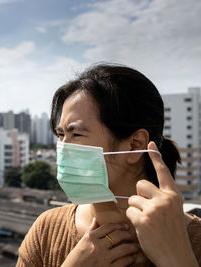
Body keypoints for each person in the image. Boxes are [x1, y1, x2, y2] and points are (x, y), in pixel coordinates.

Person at [17, 64, 201, 267]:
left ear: (135, 145)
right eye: (60, 135)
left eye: (76, 134)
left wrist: (177, 258)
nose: (62, 148)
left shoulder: (195, 241)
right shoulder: (48, 229)